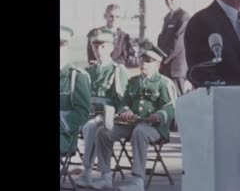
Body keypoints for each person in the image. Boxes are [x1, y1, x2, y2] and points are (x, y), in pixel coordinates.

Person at [91, 41, 174, 191]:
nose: (144, 64)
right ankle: (105, 176)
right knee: (103, 132)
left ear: (158, 64)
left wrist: (158, 115)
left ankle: (138, 180)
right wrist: (126, 110)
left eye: (149, 61)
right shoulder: (133, 81)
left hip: (154, 127)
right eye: (142, 59)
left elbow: (170, 107)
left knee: (140, 132)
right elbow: (123, 102)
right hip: (131, 123)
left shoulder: (164, 83)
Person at [75, 29, 129, 188]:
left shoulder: (117, 70)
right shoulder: (87, 72)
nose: (98, 51)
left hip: (106, 116)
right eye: (95, 47)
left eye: (103, 46)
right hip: (86, 114)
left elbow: (122, 100)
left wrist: (109, 112)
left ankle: (87, 172)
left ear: (111, 48)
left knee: (91, 126)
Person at [60, 26, 91, 155]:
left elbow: (83, 114)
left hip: (65, 135)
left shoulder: (77, 76)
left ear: (67, 47)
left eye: (60, 45)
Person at [157, 0, 191, 96]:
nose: (168, 1)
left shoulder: (183, 17)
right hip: (166, 68)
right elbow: (162, 40)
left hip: (176, 70)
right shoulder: (167, 17)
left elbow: (177, 45)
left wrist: (162, 60)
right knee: (167, 100)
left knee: (178, 100)